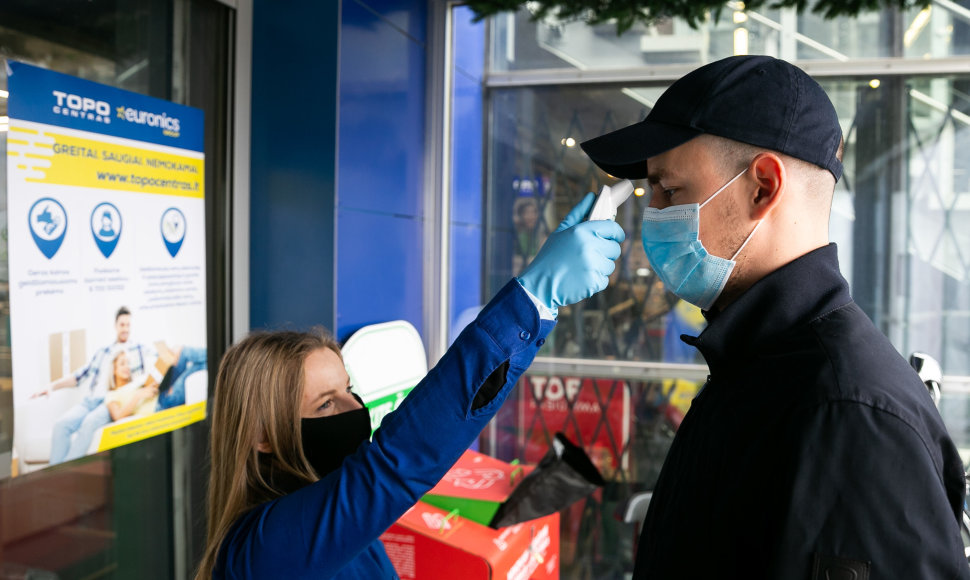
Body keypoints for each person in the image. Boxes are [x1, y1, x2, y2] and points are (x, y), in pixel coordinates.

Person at [581, 54, 969, 579]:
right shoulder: (756, 362)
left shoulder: (847, 414)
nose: (652, 214)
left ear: (763, 186)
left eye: (670, 190)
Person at [195, 195, 625, 579]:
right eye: (326, 404)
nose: (355, 409)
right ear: (263, 436)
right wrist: (533, 298)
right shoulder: (261, 551)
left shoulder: (325, 501)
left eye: (350, 389)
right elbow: (393, 464)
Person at [33, 306, 156, 465]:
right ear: (115, 326)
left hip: (109, 402)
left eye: (128, 325)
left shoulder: (138, 350)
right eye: (122, 325)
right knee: (60, 426)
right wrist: (51, 386)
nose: (125, 329)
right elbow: (79, 376)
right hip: (90, 401)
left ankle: (64, 474)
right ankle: (54, 475)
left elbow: (157, 362)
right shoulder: (103, 351)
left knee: (89, 423)